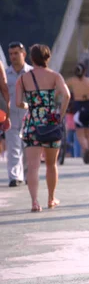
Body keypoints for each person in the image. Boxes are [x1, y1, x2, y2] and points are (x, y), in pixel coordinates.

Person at [15, 44, 70, 212]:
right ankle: (51, 198)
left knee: (33, 166)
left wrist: (31, 107)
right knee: (51, 164)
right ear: (48, 58)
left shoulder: (23, 78)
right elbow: (66, 95)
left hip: (32, 123)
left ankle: (34, 202)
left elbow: (18, 102)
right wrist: (59, 114)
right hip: (50, 122)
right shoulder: (55, 76)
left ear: (32, 58)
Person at [4, 42, 33, 187]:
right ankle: (15, 176)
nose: (13, 57)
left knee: (28, 146)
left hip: (28, 114)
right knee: (13, 146)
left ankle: (29, 175)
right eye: (10, 54)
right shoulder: (5, 74)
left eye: (16, 53)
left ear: (24, 54)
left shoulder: (32, 73)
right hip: (11, 115)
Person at [66, 63, 89, 163]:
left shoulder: (72, 81)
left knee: (80, 134)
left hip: (79, 108)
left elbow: (62, 88)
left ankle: (85, 149)